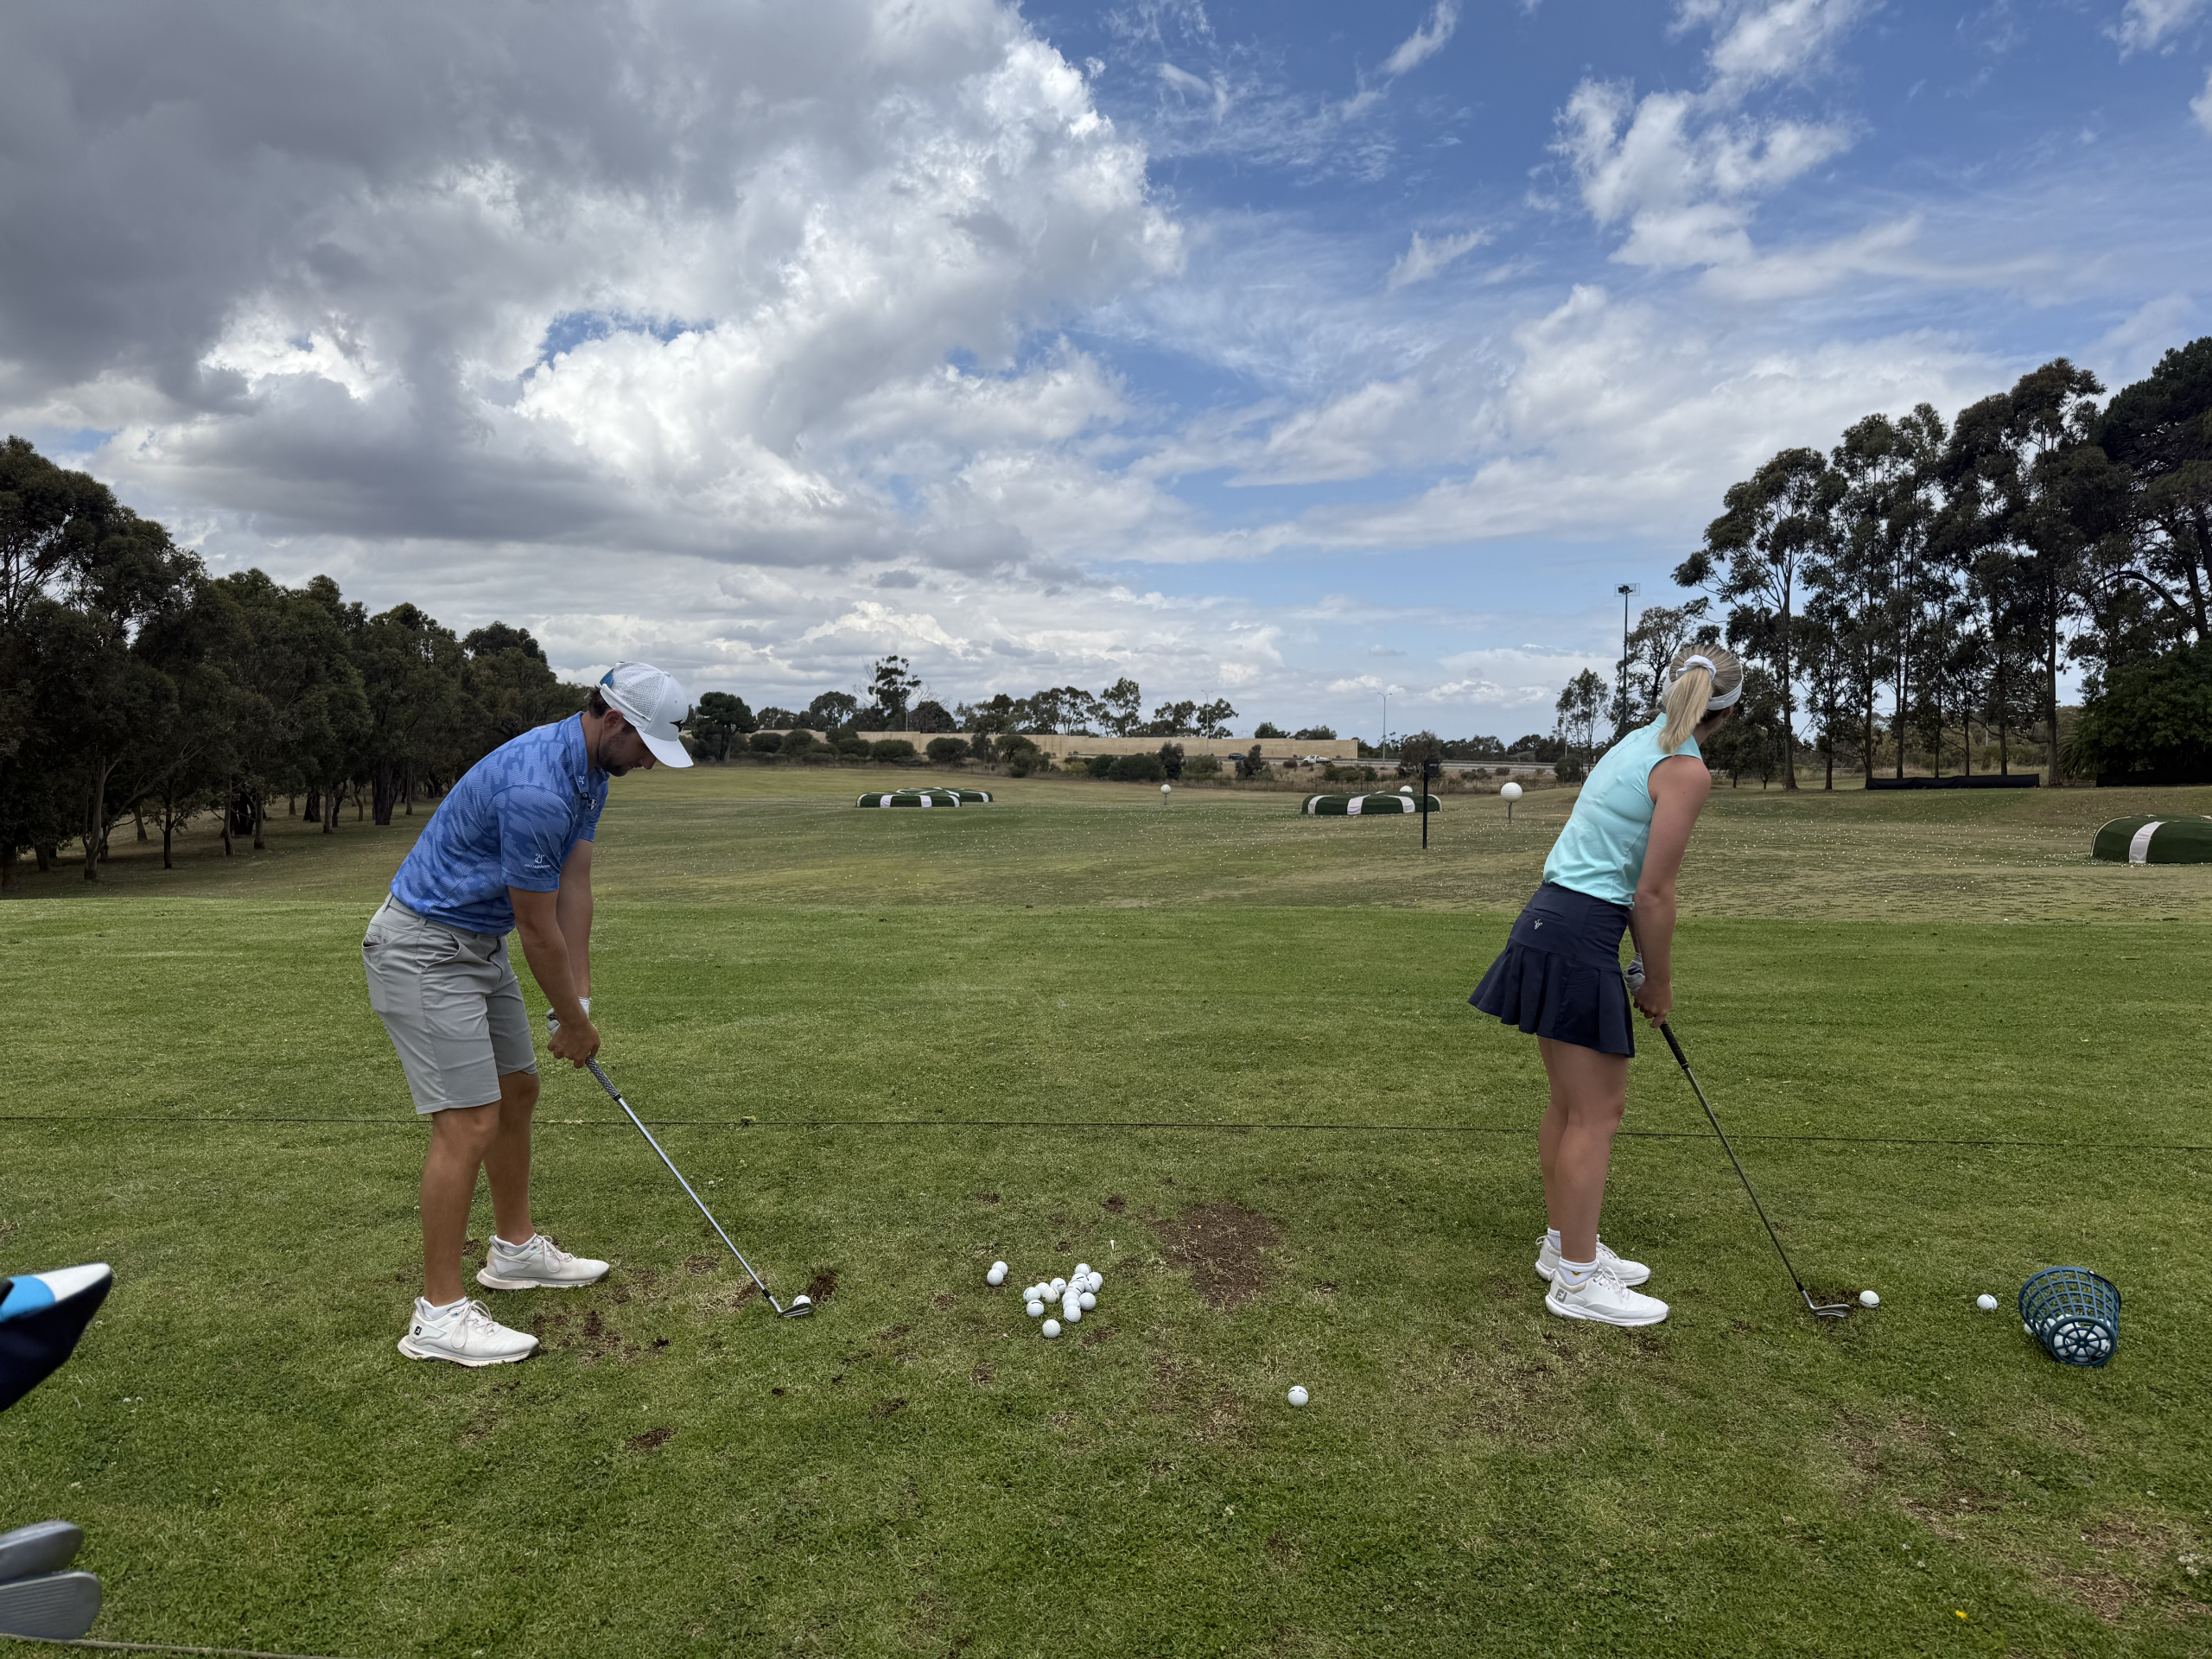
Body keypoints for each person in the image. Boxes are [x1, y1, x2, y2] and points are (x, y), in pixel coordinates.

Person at [362, 662, 695, 1366]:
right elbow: (536, 925)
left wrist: (581, 1000)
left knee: (518, 1089)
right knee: (469, 1119)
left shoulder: (593, 773)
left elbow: (576, 885)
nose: (647, 762)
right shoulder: (538, 785)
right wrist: (571, 1022)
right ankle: (438, 1315)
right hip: (423, 948)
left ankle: (512, 1252)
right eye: (644, 745)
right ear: (612, 719)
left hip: (477, 946)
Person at [1468, 644, 1740, 1327]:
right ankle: (1579, 1282)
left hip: (1551, 920)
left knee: (1569, 1106)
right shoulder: (1685, 769)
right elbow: (1653, 894)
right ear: (1730, 713)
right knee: (1597, 1114)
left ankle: (1565, 1249)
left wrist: (1637, 959)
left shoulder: (1637, 742)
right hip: (1580, 931)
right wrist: (1660, 982)